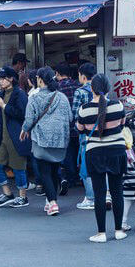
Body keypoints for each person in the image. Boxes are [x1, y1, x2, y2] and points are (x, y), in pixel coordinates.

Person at [76, 73, 127, 243]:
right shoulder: (118, 106)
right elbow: (122, 124)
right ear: (108, 88)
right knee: (117, 192)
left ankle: (101, 233)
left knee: (99, 194)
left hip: (95, 153)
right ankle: (119, 230)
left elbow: (80, 129)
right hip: (117, 151)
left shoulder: (84, 109)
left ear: (92, 88)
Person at [21, 67, 71, 216]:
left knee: (44, 172)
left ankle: (53, 203)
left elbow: (29, 119)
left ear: (40, 80)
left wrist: (24, 129)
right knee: (55, 170)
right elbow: (69, 117)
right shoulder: (62, 97)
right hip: (60, 139)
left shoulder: (35, 98)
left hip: (41, 139)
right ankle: (50, 201)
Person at [0, 66, 30, 208]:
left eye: (2, 78)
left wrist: (4, 106)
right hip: (3, 136)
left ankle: (23, 197)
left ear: (11, 79)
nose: (0, 81)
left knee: (18, 167)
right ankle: (8, 193)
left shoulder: (20, 94)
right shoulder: (1, 93)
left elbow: (22, 114)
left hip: (17, 136)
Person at [73, 62, 96, 210]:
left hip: (85, 133)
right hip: (101, 132)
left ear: (82, 75)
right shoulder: (101, 91)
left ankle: (90, 198)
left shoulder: (79, 92)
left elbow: (75, 113)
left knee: (86, 166)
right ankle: (104, 194)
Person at [56, 62, 80, 194]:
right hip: (80, 125)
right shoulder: (78, 85)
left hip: (65, 126)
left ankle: (71, 178)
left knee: (68, 153)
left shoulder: (57, 88)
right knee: (79, 151)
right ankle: (79, 176)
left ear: (57, 74)